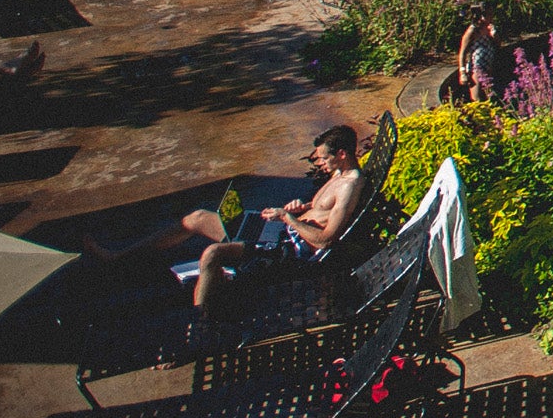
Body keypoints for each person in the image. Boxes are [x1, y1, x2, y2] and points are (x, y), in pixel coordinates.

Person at [88, 123, 368, 309]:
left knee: (212, 254)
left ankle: (200, 327)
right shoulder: (339, 173)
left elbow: (327, 240)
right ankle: (119, 257)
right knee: (197, 218)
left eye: (322, 158)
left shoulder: (349, 186)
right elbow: (320, 213)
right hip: (282, 232)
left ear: (341, 154)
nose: (319, 163)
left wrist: (288, 219)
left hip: (287, 249)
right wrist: (302, 207)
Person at [443, 8, 508, 103]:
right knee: (477, 98)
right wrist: (462, 72)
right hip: (476, 68)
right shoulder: (472, 31)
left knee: (490, 97)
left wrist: (494, 35)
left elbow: (498, 45)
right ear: (481, 16)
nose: (491, 18)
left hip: (488, 66)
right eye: (488, 15)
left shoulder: (490, 28)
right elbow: (462, 52)